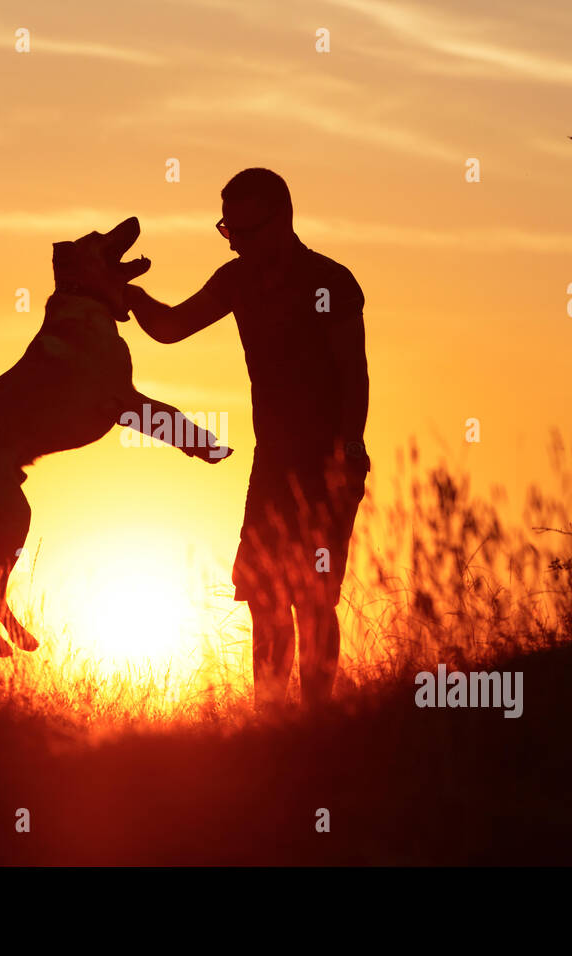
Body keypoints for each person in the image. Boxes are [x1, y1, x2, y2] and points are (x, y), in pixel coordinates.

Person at [124, 168, 370, 711]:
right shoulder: (237, 281)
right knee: (264, 597)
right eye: (226, 228)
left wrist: (350, 451)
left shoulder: (328, 282)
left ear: (279, 220)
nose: (232, 239)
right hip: (272, 463)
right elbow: (169, 327)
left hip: (327, 463)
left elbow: (354, 373)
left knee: (314, 600)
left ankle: (317, 721)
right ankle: (271, 720)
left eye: (241, 229)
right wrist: (128, 295)